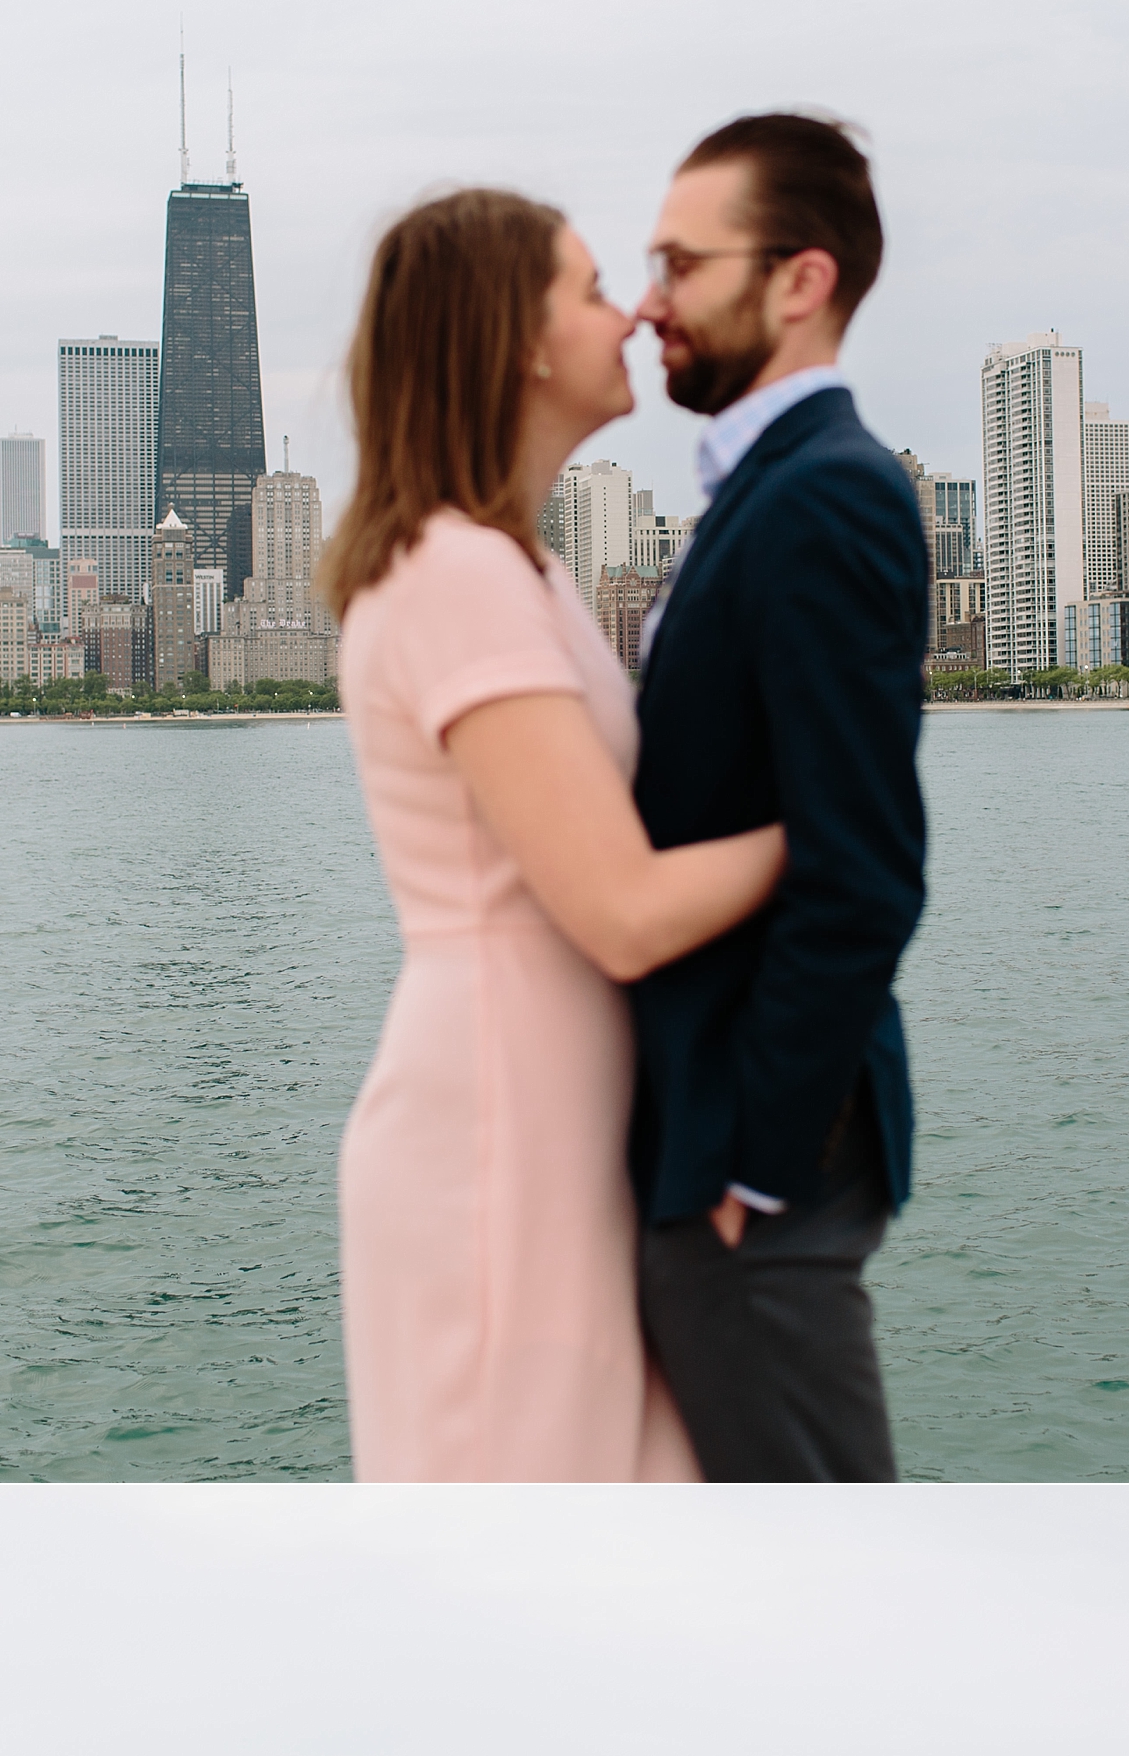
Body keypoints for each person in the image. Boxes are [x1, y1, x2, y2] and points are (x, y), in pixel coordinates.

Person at [327, 188, 788, 1480]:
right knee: (528, 1550)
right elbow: (621, 907)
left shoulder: (519, 568)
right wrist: (834, 830)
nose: (633, 312)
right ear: (518, 342)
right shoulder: (455, 573)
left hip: (560, 1107)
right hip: (499, 1124)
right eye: (590, 290)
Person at [628, 115, 932, 1482]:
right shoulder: (761, 491)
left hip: (763, 1170)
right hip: (716, 1147)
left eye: (683, 264)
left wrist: (754, 1174)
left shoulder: (828, 496)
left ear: (800, 280)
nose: (650, 302)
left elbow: (863, 862)